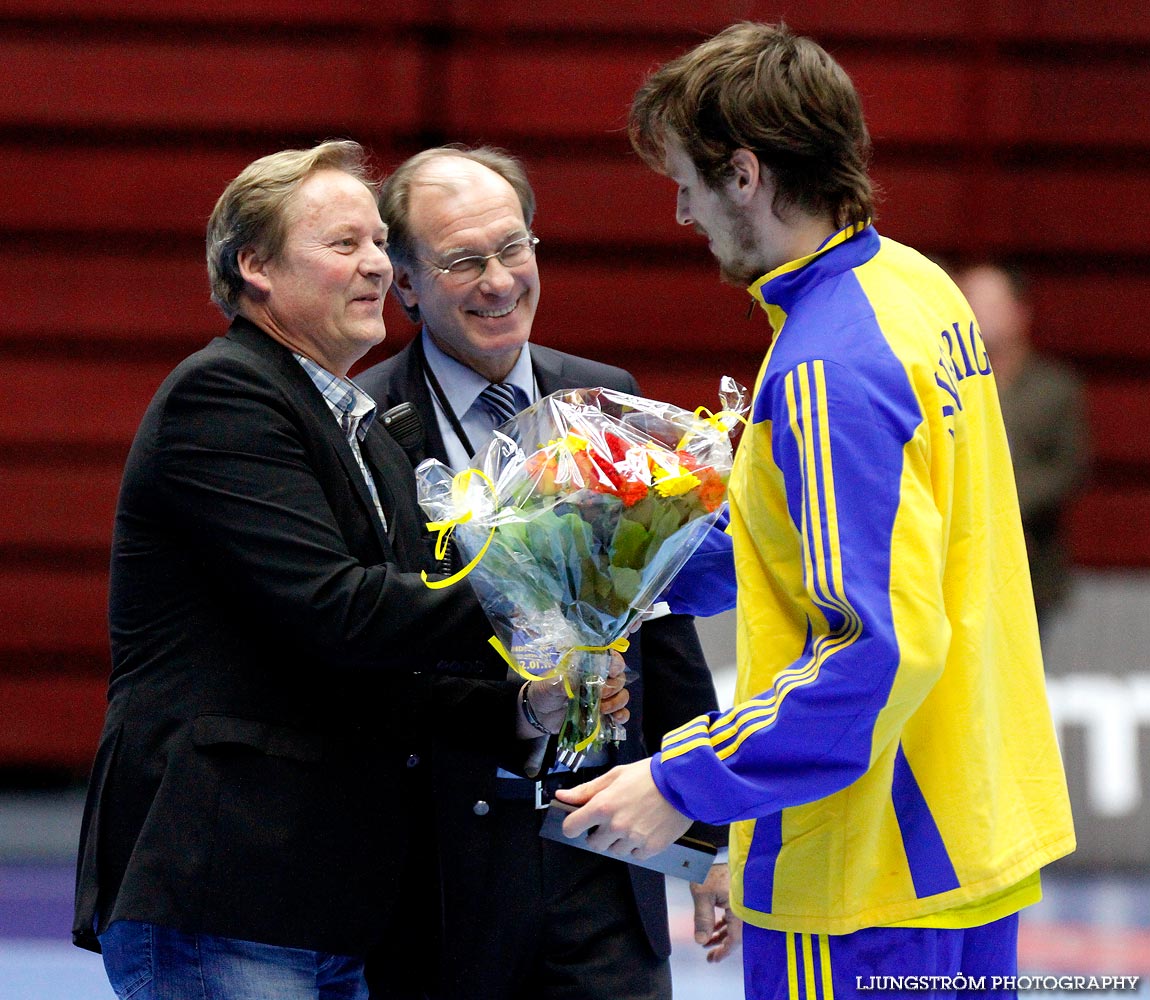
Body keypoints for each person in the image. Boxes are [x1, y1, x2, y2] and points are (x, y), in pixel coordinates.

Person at [555, 22, 1076, 1000]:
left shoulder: (825, 366)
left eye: (686, 182)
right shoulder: (916, 290)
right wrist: (631, 558)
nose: (678, 213)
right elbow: (836, 548)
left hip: (863, 867)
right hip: (968, 835)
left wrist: (678, 784)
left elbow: (874, 647)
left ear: (743, 174)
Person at [71, 139, 628, 1000]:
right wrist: (541, 576)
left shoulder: (357, 421)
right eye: (344, 246)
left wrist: (523, 709)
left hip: (323, 899)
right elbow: (337, 614)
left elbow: (374, 668)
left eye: (378, 243)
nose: (375, 266)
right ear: (254, 267)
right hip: (227, 886)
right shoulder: (222, 395)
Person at [356, 145, 737, 1000]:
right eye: (461, 261)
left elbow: (662, 625)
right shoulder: (368, 425)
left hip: (604, 864)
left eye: (513, 249)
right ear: (405, 285)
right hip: (439, 881)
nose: (498, 281)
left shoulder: (605, 400)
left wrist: (712, 836)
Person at [955, 262, 1090, 628]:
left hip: (1030, 561)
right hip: (953, 566)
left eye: (990, 304)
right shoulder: (939, 384)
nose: (977, 314)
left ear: (1020, 312)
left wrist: (1000, 503)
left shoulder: (1054, 387)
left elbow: (1068, 468)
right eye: (968, 301)